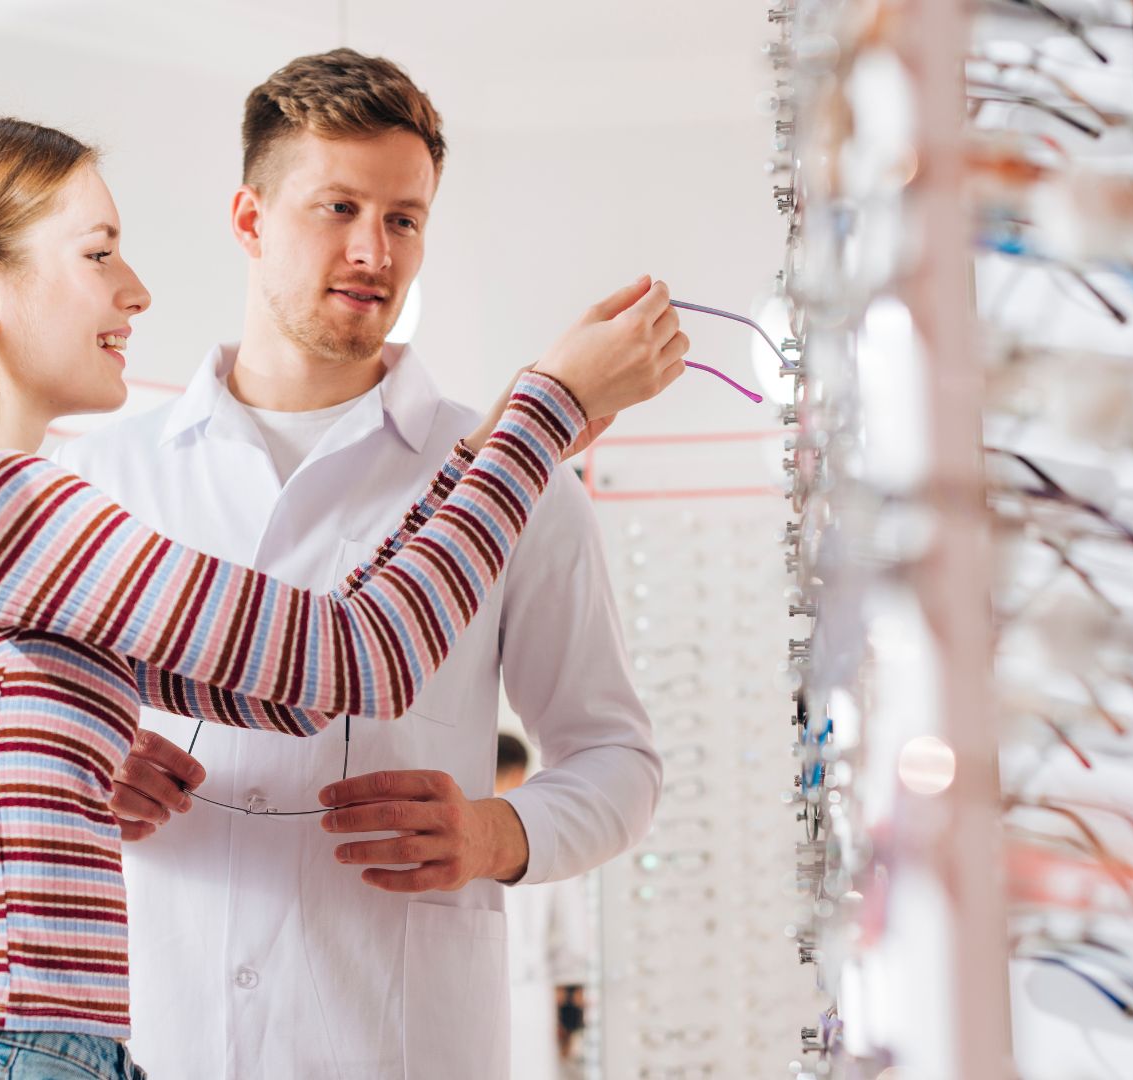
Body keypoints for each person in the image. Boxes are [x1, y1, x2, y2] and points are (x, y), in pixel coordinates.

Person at [0, 115, 687, 1080]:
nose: (136, 290)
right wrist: (548, 415)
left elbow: (295, 693)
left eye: (404, 218)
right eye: (98, 253)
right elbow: (356, 658)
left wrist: (480, 456)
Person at [54, 50, 671, 1079]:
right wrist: (86, 766)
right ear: (249, 220)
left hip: (393, 1039)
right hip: (149, 1031)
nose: (372, 250)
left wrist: (496, 833)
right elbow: (21, 738)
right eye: (336, 207)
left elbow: (619, 762)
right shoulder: (98, 475)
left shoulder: (517, 484)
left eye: (404, 218)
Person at [496, 733, 591, 1079]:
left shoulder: (453, 835)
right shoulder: (546, 836)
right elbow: (573, 941)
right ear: (519, 775)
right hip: (529, 998)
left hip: (465, 998)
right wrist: (571, 1016)